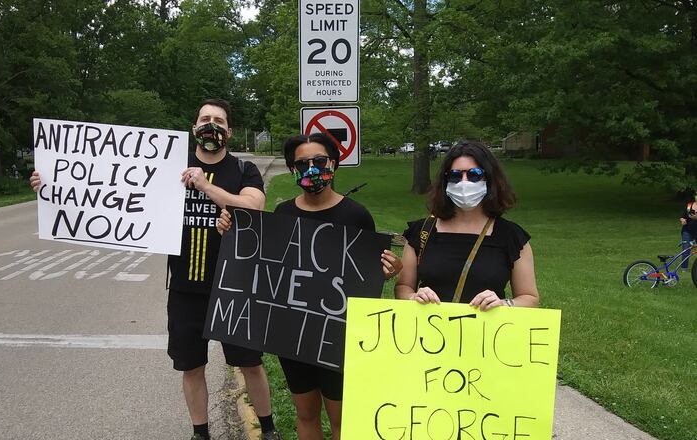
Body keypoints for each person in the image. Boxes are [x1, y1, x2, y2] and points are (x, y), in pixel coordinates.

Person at [30, 99, 280, 440]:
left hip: (233, 286)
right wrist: (54, 185)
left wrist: (206, 187)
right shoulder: (168, 165)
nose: (211, 125)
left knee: (250, 362)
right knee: (191, 365)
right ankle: (200, 433)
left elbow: (254, 205)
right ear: (194, 127)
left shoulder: (242, 169)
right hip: (185, 287)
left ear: (230, 131)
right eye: (205, 119)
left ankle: (268, 430)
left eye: (219, 120)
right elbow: (108, 186)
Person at [217, 133, 402, 440]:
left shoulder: (357, 215)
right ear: (292, 169)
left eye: (319, 161)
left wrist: (388, 271)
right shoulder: (284, 214)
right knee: (305, 412)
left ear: (334, 164)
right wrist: (233, 236)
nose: (312, 168)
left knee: (341, 417)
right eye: (302, 163)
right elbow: (266, 266)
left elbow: (367, 276)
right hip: (295, 333)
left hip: (339, 335)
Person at [394, 141, 540, 310]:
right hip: (430, 325)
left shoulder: (511, 236)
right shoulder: (421, 232)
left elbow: (530, 298)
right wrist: (413, 297)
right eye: (455, 175)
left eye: (474, 174)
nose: (464, 182)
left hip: (487, 326)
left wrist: (503, 304)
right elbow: (403, 287)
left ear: (489, 178)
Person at [679, 192, 697, 270]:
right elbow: (682, 216)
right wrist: (682, 220)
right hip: (687, 230)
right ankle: (684, 268)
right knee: (686, 249)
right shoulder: (689, 205)